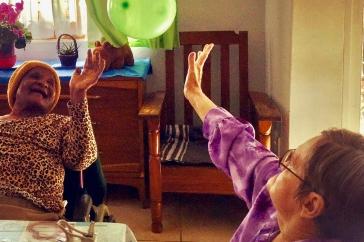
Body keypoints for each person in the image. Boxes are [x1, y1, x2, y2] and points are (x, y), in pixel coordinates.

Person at [184, 44, 364, 242]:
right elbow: (238, 143)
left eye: (291, 163)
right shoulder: (274, 204)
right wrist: (195, 94)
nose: (279, 164)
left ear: (310, 204)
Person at [0, 49, 106, 220]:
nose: (43, 83)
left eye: (50, 83)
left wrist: (78, 94)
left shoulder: (59, 124)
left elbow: (81, 158)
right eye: (35, 77)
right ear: (16, 86)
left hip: (36, 217)